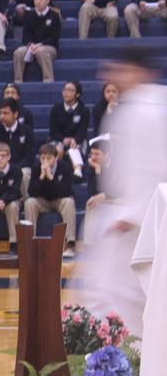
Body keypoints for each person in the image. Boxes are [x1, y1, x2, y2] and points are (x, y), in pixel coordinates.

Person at [81, 48, 167, 335]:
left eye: (119, 69)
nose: (113, 76)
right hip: (127, 211)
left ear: (137, 71)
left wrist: (134, 214)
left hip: (146, 214)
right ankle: (120, 357)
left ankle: (130, 358)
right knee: (108, 289)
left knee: (126, 291)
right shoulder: (132, 105)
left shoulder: (152, 108)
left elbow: (156, 166)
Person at [24, 142, 77, 256]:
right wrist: (42, 177)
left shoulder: (65, 167)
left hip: (58, 200)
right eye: (43, 158)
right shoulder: (36, 167)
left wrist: (51, 178)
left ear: (56, 157)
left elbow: (65, 192)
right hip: (43, 201)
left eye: (49, 158)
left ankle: (70, 244)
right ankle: (30, 243)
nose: (45, 161)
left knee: (69, 202)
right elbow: (31, 192)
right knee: (29, 202)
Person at [0, 97, 36, 195]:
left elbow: (30, 156)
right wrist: (3, 167)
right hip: (0, 166)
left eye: (6, 113)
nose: (2, 116)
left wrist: (13, 168)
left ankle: (26, 204)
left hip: (21, 167)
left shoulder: (27, 131)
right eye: (0, 113)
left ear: (16, 114)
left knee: (25, 173)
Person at [13, 0, 61, 83]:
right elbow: (25, 37)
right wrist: (31, 45)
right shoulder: (29, 15)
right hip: (31, 46)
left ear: (48, 0)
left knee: (42, 52)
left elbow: (54, 38)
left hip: (49, 47)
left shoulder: (54, 16)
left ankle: (48, 81)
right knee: (18, 52)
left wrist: (40, 44)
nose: (38, 1)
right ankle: (18, 81)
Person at [49, 80, 89, 176]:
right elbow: (53, 131)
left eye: (70, 90)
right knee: (58, 148)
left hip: (77, 140)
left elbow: (82, 131)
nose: (66, 92)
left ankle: (77, 172)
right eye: (64, 90)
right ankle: (54, 173)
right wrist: (63, 139)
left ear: (78, 94)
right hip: (59, 139)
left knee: (73, 148)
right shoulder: (55, 109)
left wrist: (74, 140)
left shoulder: (84, 110)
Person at [80, 138, 110, 247]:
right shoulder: (91, 167)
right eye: (91, 154)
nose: (93, 157)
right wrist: (98, 170)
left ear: (107, 154)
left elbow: (122, 189)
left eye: (97, 154)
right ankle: (89, 244)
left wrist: (105, 195)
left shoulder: (118, 164)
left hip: (120, 197)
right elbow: (92, 191)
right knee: (92, 202)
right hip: (105, 197)